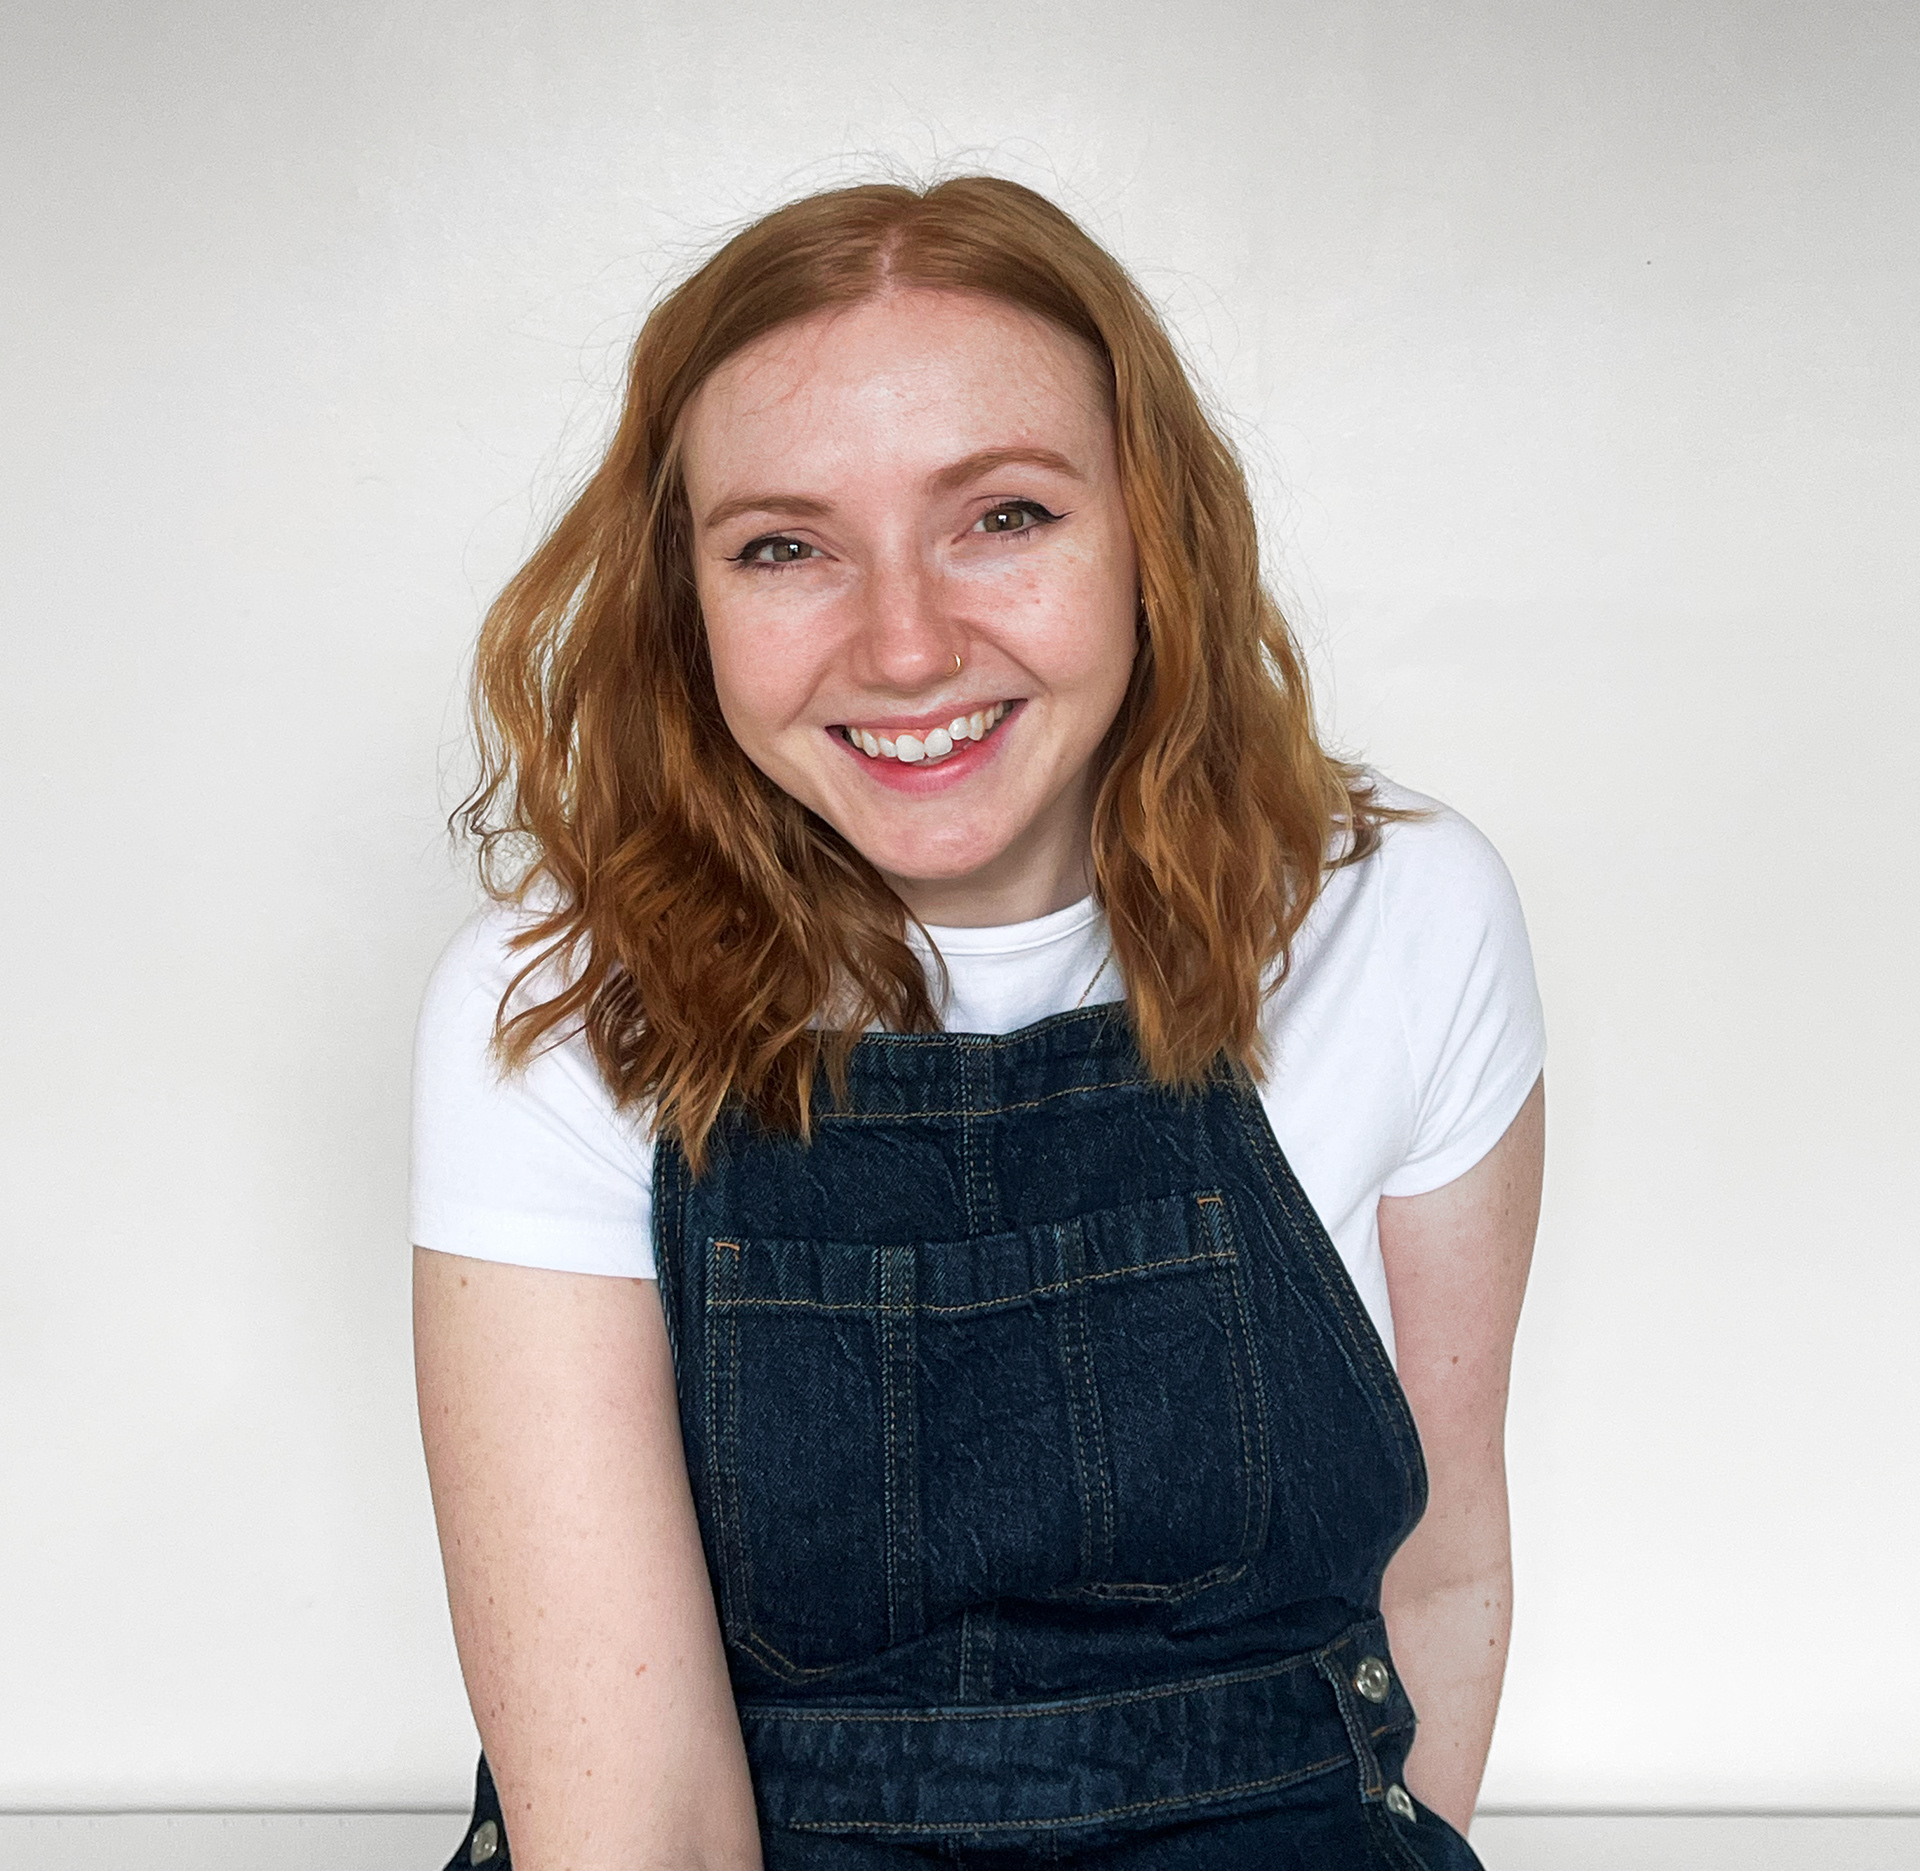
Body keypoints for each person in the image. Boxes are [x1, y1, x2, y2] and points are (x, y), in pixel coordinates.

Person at [411, 176, 1545, 1871]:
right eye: (785, 546)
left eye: (1003, 517)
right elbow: (639, 1827)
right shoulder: (561, 1005)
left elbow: (1438, 1571)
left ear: (1153, 530)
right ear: (683, 599)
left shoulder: (1404, 913)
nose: (905, 646)